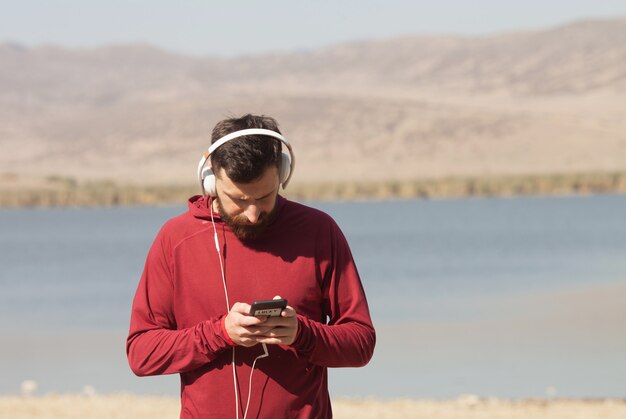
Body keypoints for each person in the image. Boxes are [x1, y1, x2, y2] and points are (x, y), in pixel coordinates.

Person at [126, 114, 376, 418]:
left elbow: (361, 343)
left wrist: (302, 334)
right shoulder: (175, 239)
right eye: (238, 199)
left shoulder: (319, 231)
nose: (254, 213)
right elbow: (142, 354)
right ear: (210, 177)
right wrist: (220, 333)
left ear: (283, 173)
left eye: (265, 196)